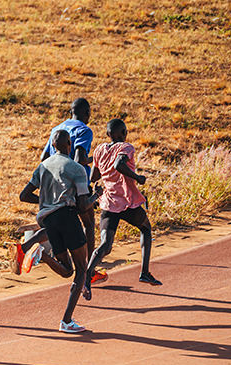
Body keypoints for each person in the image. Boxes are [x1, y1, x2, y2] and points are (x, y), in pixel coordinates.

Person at [13, 98, 106, 283]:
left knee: (56, 222)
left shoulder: (57, 128)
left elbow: (43, 157)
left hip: (54, 183)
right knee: (88, 223)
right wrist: (94, 160)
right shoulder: (85, 130)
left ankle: (26, 247)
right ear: (87, 113)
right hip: (76, 182)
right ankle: (88, 269)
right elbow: (79, 159)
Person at [19, 130, 93, 333]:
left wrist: (45, 202)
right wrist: (97, 196)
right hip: (67, 217)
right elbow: (83, 205)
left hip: (48, 220)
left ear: (52, 145)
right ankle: (66, 321)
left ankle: (42, 254)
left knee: (66, 270)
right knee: (81, 270)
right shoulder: (76, 168)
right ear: (69, 144)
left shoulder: (42, 166)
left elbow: (24, 195)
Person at [86, 119, 161, 286]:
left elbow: (93, 177)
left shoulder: (99, 150)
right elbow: (119, 164)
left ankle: (86, 277)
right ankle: (145, 273)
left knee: (105, 245)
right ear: (124, 133)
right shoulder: (126, 147)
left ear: (107, 134)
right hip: (128, 202)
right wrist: (138, 177)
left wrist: (104, 169)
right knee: (145, 228)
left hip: (109, 202)